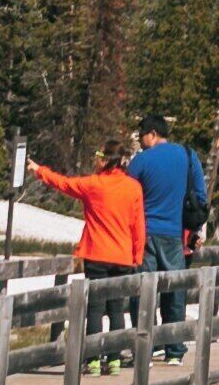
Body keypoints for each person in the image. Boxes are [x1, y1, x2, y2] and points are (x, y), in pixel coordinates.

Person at [30, 143, 147, 363]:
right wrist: (137, 256)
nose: (95, 160)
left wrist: (39, 170)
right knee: (115, 308)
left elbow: (63, 183)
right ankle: (113, 358)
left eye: (97, 156)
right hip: (122, 255)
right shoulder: (133, 187)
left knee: (95, 307)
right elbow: (138, 225)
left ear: (104, 160)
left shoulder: (93, 184)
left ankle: (92, 359)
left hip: (97, 253)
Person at [123, 120, 208, 356]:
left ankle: (144, 346)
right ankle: (174, 347)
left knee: (143, 290)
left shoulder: (141, 160)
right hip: (174, 234)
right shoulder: (188, 156)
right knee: (175, 290)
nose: (140, 141)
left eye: (141, 135)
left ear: (152, 134)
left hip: (145, 233)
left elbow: (127, 195)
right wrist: (195, 230)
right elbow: (200, 195)